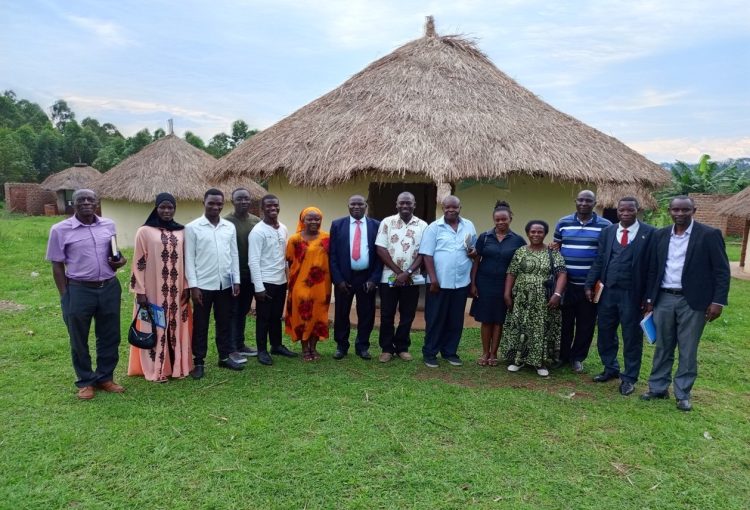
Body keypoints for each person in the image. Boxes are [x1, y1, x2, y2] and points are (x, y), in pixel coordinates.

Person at [641, 196, 730, 411]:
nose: (680, 214)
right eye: (676, 210)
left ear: (694, 211)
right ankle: (658, 387)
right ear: (670, 211)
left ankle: (683, 393)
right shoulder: (660, 235)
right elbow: (653, 269)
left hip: (694, 301)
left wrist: (718, 302)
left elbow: (721, 271)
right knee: (663, 345)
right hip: (664, 298)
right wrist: (650, 300)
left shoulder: (709, 235)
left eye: (685, 210)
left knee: (688, 349)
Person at [46, 189, 128, 399]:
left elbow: (115, 253)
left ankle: (105, 377)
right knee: (78, 337)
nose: (85, 203)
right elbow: (57, 265)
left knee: (110, 335)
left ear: (96, 202)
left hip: (109, 287)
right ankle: (85, 381)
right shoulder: (60, 230)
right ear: (73, 204)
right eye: (80, 200)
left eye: (89, 199)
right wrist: (66, 295)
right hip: (79, 289)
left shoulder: (108, 225)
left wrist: (120, 261)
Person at [584, 197, 655, 395]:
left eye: (629, 210)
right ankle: (610, 368)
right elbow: (599, 260)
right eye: (621, 210)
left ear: (637, 210)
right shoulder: (608, 232)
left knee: (631, 336)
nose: (625, 213)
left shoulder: (649, 233)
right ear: (617, 211)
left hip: (633, 295)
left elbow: (652, 269)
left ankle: (629, 377)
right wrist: (590, 283)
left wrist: (649, 297)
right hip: (607, 292)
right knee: (605, 332)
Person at [127, 193, 192, 382]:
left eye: (170, 207)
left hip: (178, 289)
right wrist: (140, 291)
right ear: (156, 208)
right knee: (156, 325)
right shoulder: (145, 231)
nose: (166, 211)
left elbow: (186, 261)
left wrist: (187, 286)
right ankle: (157, 369)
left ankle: (178, 367)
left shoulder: (181, 231)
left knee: (177, 325)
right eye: (162, 207)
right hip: (153, 290)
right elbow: (139, 262)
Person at [551, 189, 611, 372]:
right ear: (575, 201)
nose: (584, 203)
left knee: (586, 323)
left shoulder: (606, 226)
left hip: (590, 286)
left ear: (595, 203)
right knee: (565, 322)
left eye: (588, 201)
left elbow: (605, 255)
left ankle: (577, 357)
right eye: (581, 200)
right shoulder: (563, 223)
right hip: (566, 284)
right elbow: (556, 249)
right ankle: (563, 356)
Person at [184, 189, 242, 378]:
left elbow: (233, 254)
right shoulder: (192, 227)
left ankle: (224, 357)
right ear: (204, 203)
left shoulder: (228, 227)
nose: (216, 207)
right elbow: (189, 259)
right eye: (212, 203)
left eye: (219, 204)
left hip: (225, 284)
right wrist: (193, 286)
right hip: (203, 286)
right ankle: (199, 361)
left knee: (224, 322)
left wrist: (236, 280)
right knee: (201, 325)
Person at [502, 220, 567, 377]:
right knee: (521, 326)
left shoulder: (553, 252)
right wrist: (507, 293)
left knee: (541, 329)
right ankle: (518, 360)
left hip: (544, 298)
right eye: (533, 232)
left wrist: (557, 294)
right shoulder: (521, 252)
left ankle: (540, 363)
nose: (536, 234)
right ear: (527, 233)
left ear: (545, 234)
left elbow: (562, 274)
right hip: (522, 298)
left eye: (540, 232)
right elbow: (511, 272)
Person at [419, 195, 477, 368]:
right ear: (443, 208)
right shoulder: (434, 228)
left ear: (460, 208)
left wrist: (473, 252)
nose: (451, 210)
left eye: (455, 207)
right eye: (447, 207)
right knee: (435, 318)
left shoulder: (469, 225)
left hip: (460, 282)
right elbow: (427, 255)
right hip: (439, 283)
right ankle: (430, 353)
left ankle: (450, 352)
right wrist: (434, 280)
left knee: (455, 319)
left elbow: (473, 248)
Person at [469, 201, 526, 366]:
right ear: (493, 220)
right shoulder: (485, 237)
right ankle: (485, 352)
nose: (501, 222)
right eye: (497, 220)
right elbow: (476, 261)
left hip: (505, 285)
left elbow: (522, 263)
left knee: (499, 319)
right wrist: (473, 284)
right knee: (486, 319)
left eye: (504, 219)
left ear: (510, 219)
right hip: (484, 283)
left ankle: (494, 353)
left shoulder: (518, 240)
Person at [374, 191, 428, 363]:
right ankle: (387, 349)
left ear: (414, 205)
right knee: (387, 313)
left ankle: (402, 347)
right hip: (388, 278)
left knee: (407, 314)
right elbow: (381, 249)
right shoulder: (387, 222)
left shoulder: (423, 225)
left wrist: (408, 273)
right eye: (402, 203)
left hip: (412, 278)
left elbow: (423, 252)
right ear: (396, 205)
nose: (405, 206)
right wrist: (399, 272)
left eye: (408, 203)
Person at [329, 194, 383, 360]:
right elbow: (332, 255)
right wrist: (338, 280)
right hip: (345, 277)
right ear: (348, 206)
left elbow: (380, 255)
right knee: (341, 312)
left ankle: (362, 346)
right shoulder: (338, 225)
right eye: (353, 204)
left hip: (366, 276)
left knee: (366, 313)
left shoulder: (376, 225)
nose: (356, 207)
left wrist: (374, 279)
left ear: (365, 206)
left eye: (360, 204)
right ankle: (341, 346)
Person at [249, 194, 297, 365]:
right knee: (263, 317)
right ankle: (261, 350)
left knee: (276, 316)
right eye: (268, 206)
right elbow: (253, 261)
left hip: (280, 280)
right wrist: (259, 287)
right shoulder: (258, 232)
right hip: (265, 282)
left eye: (275, 205)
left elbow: (284, 257)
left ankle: (276, 345)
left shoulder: (283, 228)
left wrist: (287, 277)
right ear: (262, 208)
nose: (272, 209)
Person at [285, 207, 332, 361]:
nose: (313, 221)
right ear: (302, 220)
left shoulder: (327, 238)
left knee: (318, 316)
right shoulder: (294, 239)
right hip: (300, 284)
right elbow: (289, 262)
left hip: (322, 286)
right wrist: (288, 283)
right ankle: (305, 349)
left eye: (317, 218)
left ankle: (314, 348)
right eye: (309, 219)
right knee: (303, 316)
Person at [224, 187, 261, 361]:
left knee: (244, 310)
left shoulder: (256, 222)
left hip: (251, 274)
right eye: (239, 199)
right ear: (233, 201)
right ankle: (231, 347)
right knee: (232, 311)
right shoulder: (225, 222)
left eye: (246, 199)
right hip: (233, 276)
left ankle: (240, 344)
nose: (243, 202)